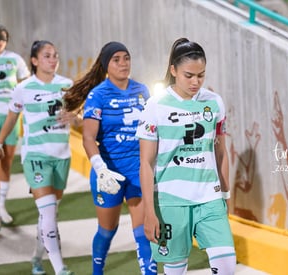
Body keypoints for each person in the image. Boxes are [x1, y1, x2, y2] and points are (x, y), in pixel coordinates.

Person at [137, 37, 237, 275]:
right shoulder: (155, 106)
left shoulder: (214, 102)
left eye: (201, 75)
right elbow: (146, 163)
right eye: (188, 75)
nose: (196, 82)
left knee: (227, 268)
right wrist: (149, 212)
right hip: (170, 202)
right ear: (173, 70)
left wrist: (225, 195)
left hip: (209, 199)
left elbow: (220, 152)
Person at [63, 41, 157, 275]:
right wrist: (100, 169)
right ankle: (97, 271)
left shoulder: (142, 91)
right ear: (106, 65)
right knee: (107, 229)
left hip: (137, 169)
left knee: (143, 231)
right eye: (116, 59)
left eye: (126, 58)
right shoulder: (97, 95)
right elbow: (88, 138)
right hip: (108, 173)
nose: (123, 64)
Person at [0, 40, 76, 275]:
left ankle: (36, 259)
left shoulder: (67, 85)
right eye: (47, 56)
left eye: (55, 55)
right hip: (35, 157)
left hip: (62, 157)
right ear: (34, 61)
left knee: (48, 215)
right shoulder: (23, 88)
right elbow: (12, 118)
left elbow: (79, 115)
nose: (53, 60)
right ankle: (60, 268)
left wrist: (75, 117)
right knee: (49, 212)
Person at [0, 24, 30, 227]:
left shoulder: (15, 59)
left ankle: (1, 205)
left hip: (11, 116)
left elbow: (26, 83)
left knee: (6, 160)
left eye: (1, 42)